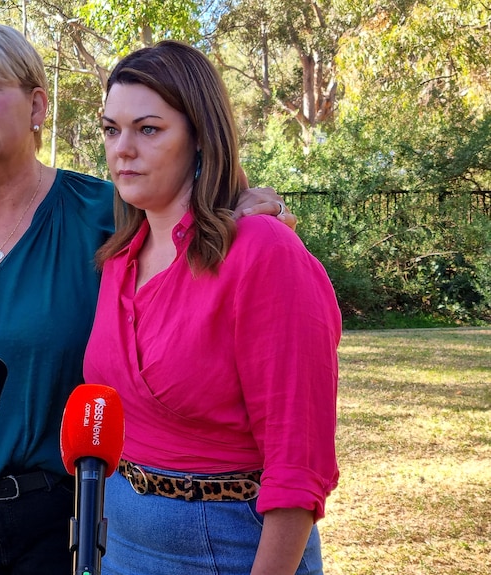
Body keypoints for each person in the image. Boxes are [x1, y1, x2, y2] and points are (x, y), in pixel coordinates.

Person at [0, 23, 296, 575]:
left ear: (38, 105)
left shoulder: (109, 213)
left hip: (78, 522)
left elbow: (201, 218)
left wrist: (253, 205)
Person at [82, 40, 341, 575]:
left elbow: (298, 465)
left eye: (148, 129)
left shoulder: (263, 252)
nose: (121, 150)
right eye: (111, 129)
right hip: (121, 540)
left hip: (226, 547)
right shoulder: (117, 260)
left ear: (200, 137)